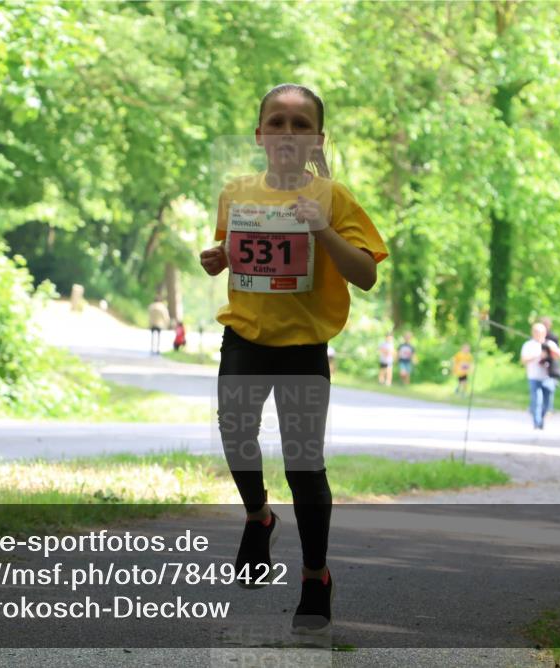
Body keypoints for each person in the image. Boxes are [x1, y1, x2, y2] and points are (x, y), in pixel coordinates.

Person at [199, 83, 388, 635]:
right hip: (247, 337)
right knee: (235, 434)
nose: (287, 132)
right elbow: (230, 254)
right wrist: (216, 258)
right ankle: (259, 515)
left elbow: (367, 274)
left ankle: (314, 577)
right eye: (276, 123)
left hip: (305, 344)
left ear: (317, 139)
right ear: (259, 135)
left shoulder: (334, 197)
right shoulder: (236, 192)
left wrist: (321, 227)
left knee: (304, 465)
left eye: (299, 124)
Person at [520, 322, 560, 430]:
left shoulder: (550, 344)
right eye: (536, 332)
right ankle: (537, 422)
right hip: (534, 377)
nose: (538, 334)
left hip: (548, 377)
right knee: (537, 400)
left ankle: (542, 419)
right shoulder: (528, 345)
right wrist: (537, 356)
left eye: (541, 332)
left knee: (547, 403)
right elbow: (523, 360)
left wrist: (552, 351)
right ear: (533, 332)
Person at [539, 316, 560, 416]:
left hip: (550, 366)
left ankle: (549, 407)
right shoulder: (537, 336)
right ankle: (538, 406)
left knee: (550, 387)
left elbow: (558, 354)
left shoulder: (553, 337)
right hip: (539, 366)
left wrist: (548, 352)